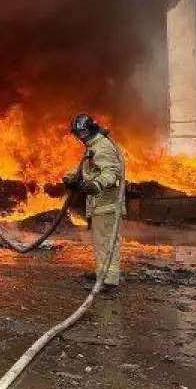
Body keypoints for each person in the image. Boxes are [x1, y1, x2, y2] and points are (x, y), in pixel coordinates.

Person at [61, 113, 125, 291]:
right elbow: (85, 165)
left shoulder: (102, 147)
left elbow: (111, 172)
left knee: (106, 242)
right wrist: (71, 176)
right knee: (101, 242)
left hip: (107, 204)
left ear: (90, 129)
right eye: (77, 134)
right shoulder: (93, 146)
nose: (80, 137)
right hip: (99, 204)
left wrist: (97, 184)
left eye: (82, 133)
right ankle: (102, 273)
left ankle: (109, 281)